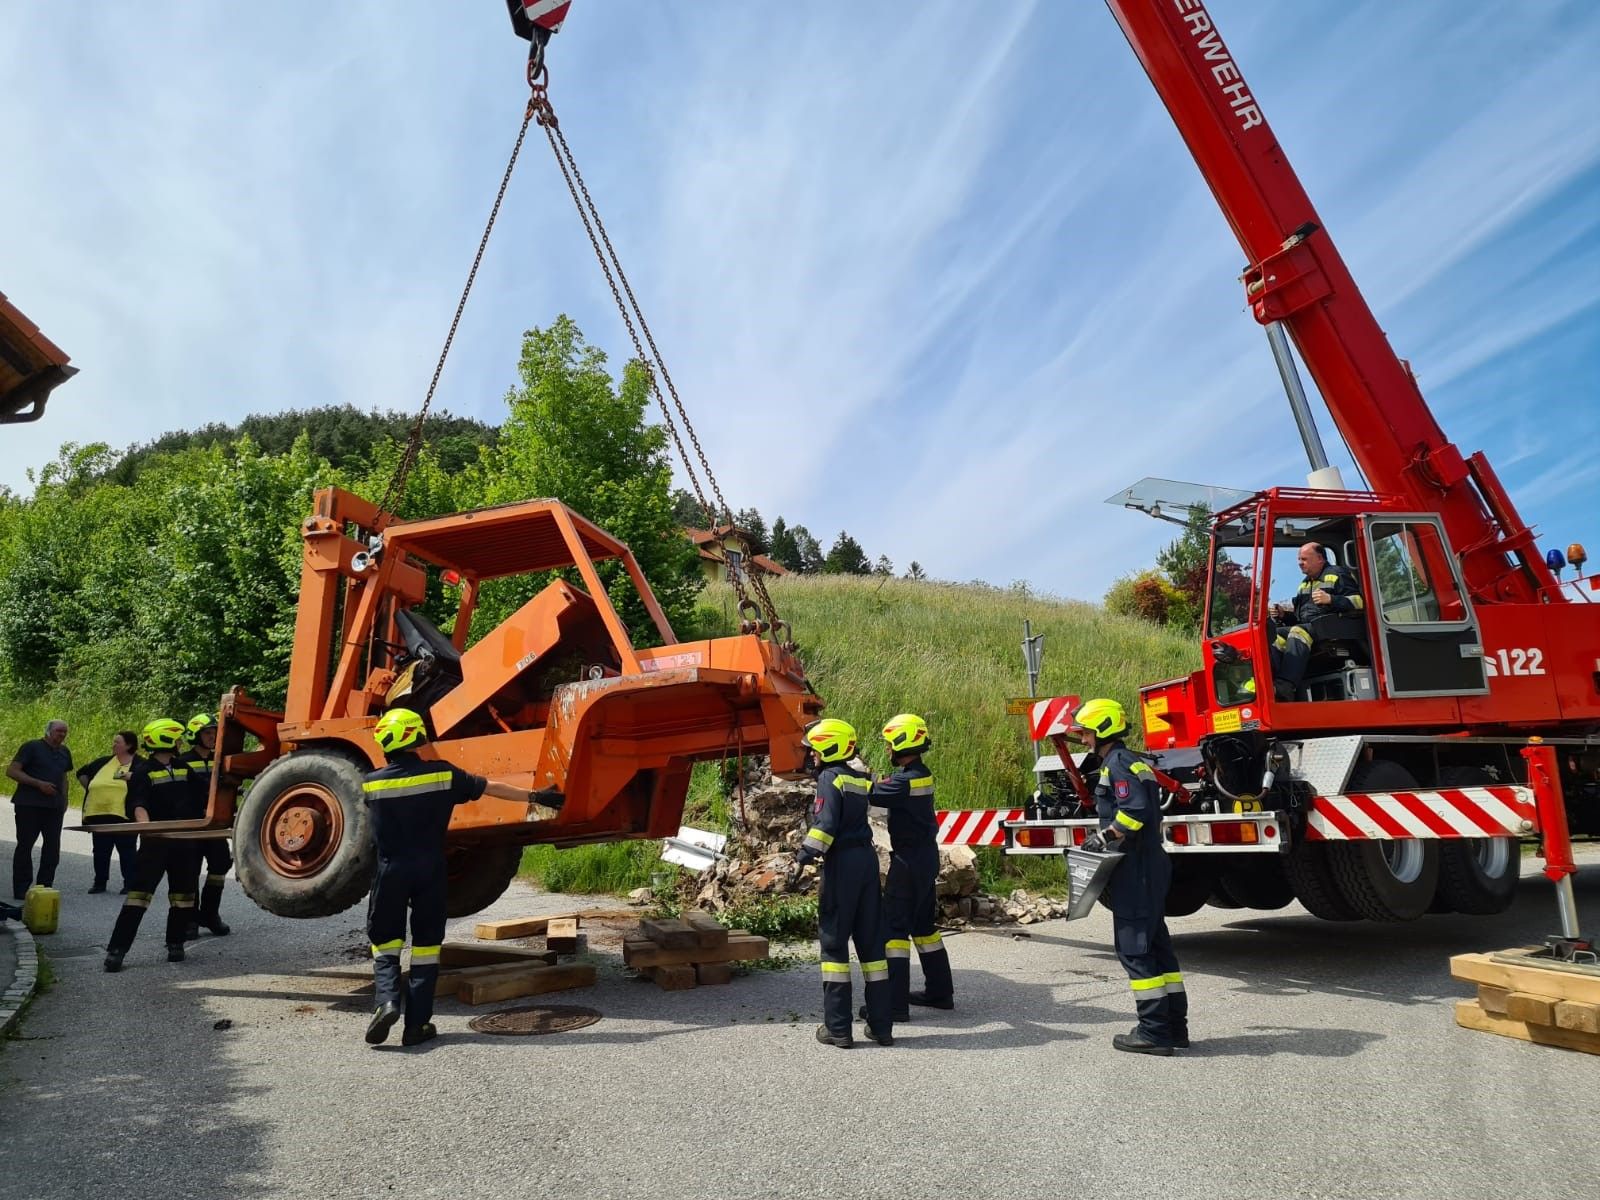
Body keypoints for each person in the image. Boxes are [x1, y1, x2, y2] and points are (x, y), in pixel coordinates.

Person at [362, 707, 552, 1048]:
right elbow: (491, 787)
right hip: (431, 870)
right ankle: (416, 1026)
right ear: (419, 738)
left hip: (391, 870)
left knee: (385, 941)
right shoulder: (442, 776)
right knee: (426, 948)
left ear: (383, 743)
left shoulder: (373, 783)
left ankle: (387, 1001)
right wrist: (537, 797)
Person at [1075, 698, 1188, 1055]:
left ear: (1103, 730)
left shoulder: (1118, 765)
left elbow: (1134, 812)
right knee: (1157, 948)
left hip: (1135, 867)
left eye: (1087, 732)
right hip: (1149, 864)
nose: (1083, 739)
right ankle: (1174, 1029)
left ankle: (1154, 1032)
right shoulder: (1133, 760)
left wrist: (1103, 837)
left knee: (1135, 950)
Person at [791, 718, 892, 1049]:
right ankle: (881, 1026)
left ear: (827, 748)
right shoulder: (859, 779)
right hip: (866, 861)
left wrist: (804, 855)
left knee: (834, 945)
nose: (812, 758)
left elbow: (826, 825)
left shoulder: (830, 779)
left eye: (814, 751)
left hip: (843, 865)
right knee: (872, 945)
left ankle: (837, 1029)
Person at [868, 713, 952, 1023]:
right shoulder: (919, 774)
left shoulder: (906, 780)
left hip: (909, 862)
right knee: (923, 928)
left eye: (889, 744)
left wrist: (847, 775)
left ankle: (894, 1005)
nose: (887, 750)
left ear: (902, 743)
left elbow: (873, 793)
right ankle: (940, 993)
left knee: (894, 931)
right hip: (924, 858)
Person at [104, 719, 204, 972]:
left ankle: (176, 943)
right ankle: (117, 951)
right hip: (156, 843)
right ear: (166, 740)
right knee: (138, 896)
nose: (180, 742)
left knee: (183, 897)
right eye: (177, 738)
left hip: (184, 842)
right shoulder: (143, 772)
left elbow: (202, 797)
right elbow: (138, 804)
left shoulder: (183, 768)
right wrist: (147, 829)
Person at [1269, 542, 1365, 697]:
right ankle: (1271, 681)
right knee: (1274, 634)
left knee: (1298, 632)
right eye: (1299, 559)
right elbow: (1301, 619)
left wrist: (1331, 599)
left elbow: (1360, 602)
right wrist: (1284, 615)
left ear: (1320, 558)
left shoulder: (1337, 574)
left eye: (1304, 559)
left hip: (1334, 627)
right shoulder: (1304, 584)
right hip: (1312, 627)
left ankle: (1286, 685)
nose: (1300, 563)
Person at [8, 719, 72, 899]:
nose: (62, 735)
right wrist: (38, 784)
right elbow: (12, 771)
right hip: (29, 805)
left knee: (52, 849)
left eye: (65, 732)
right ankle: (21, 889)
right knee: (25, 846)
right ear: (48, 731)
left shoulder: (64, 752)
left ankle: (44, 887)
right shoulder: (31, 747)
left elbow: (64, 777)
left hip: (54, 807)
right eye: (59, 731)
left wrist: (64, 800)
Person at [182, 713, 231, 937]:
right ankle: (190, 920)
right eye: (208, 733)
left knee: (220, 867)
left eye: (215, 733)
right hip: (192, 826)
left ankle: (211, 915)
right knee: (189, 871)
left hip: (215, 826)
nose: (212, 737)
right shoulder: (182, 761)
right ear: (195, 735)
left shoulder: (221, 760)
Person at [77, 731, 140, 894]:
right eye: (114, 742)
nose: (114, 745)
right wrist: (91, 790)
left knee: (127, 851)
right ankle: (99, 883)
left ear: (129, 745)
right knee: (100, 850)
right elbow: (81, 773)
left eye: (117, 742)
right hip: (100, 815)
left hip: (125, 816)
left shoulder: (140, 764)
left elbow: (148, 781)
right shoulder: (103, 762)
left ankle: (130, 883)